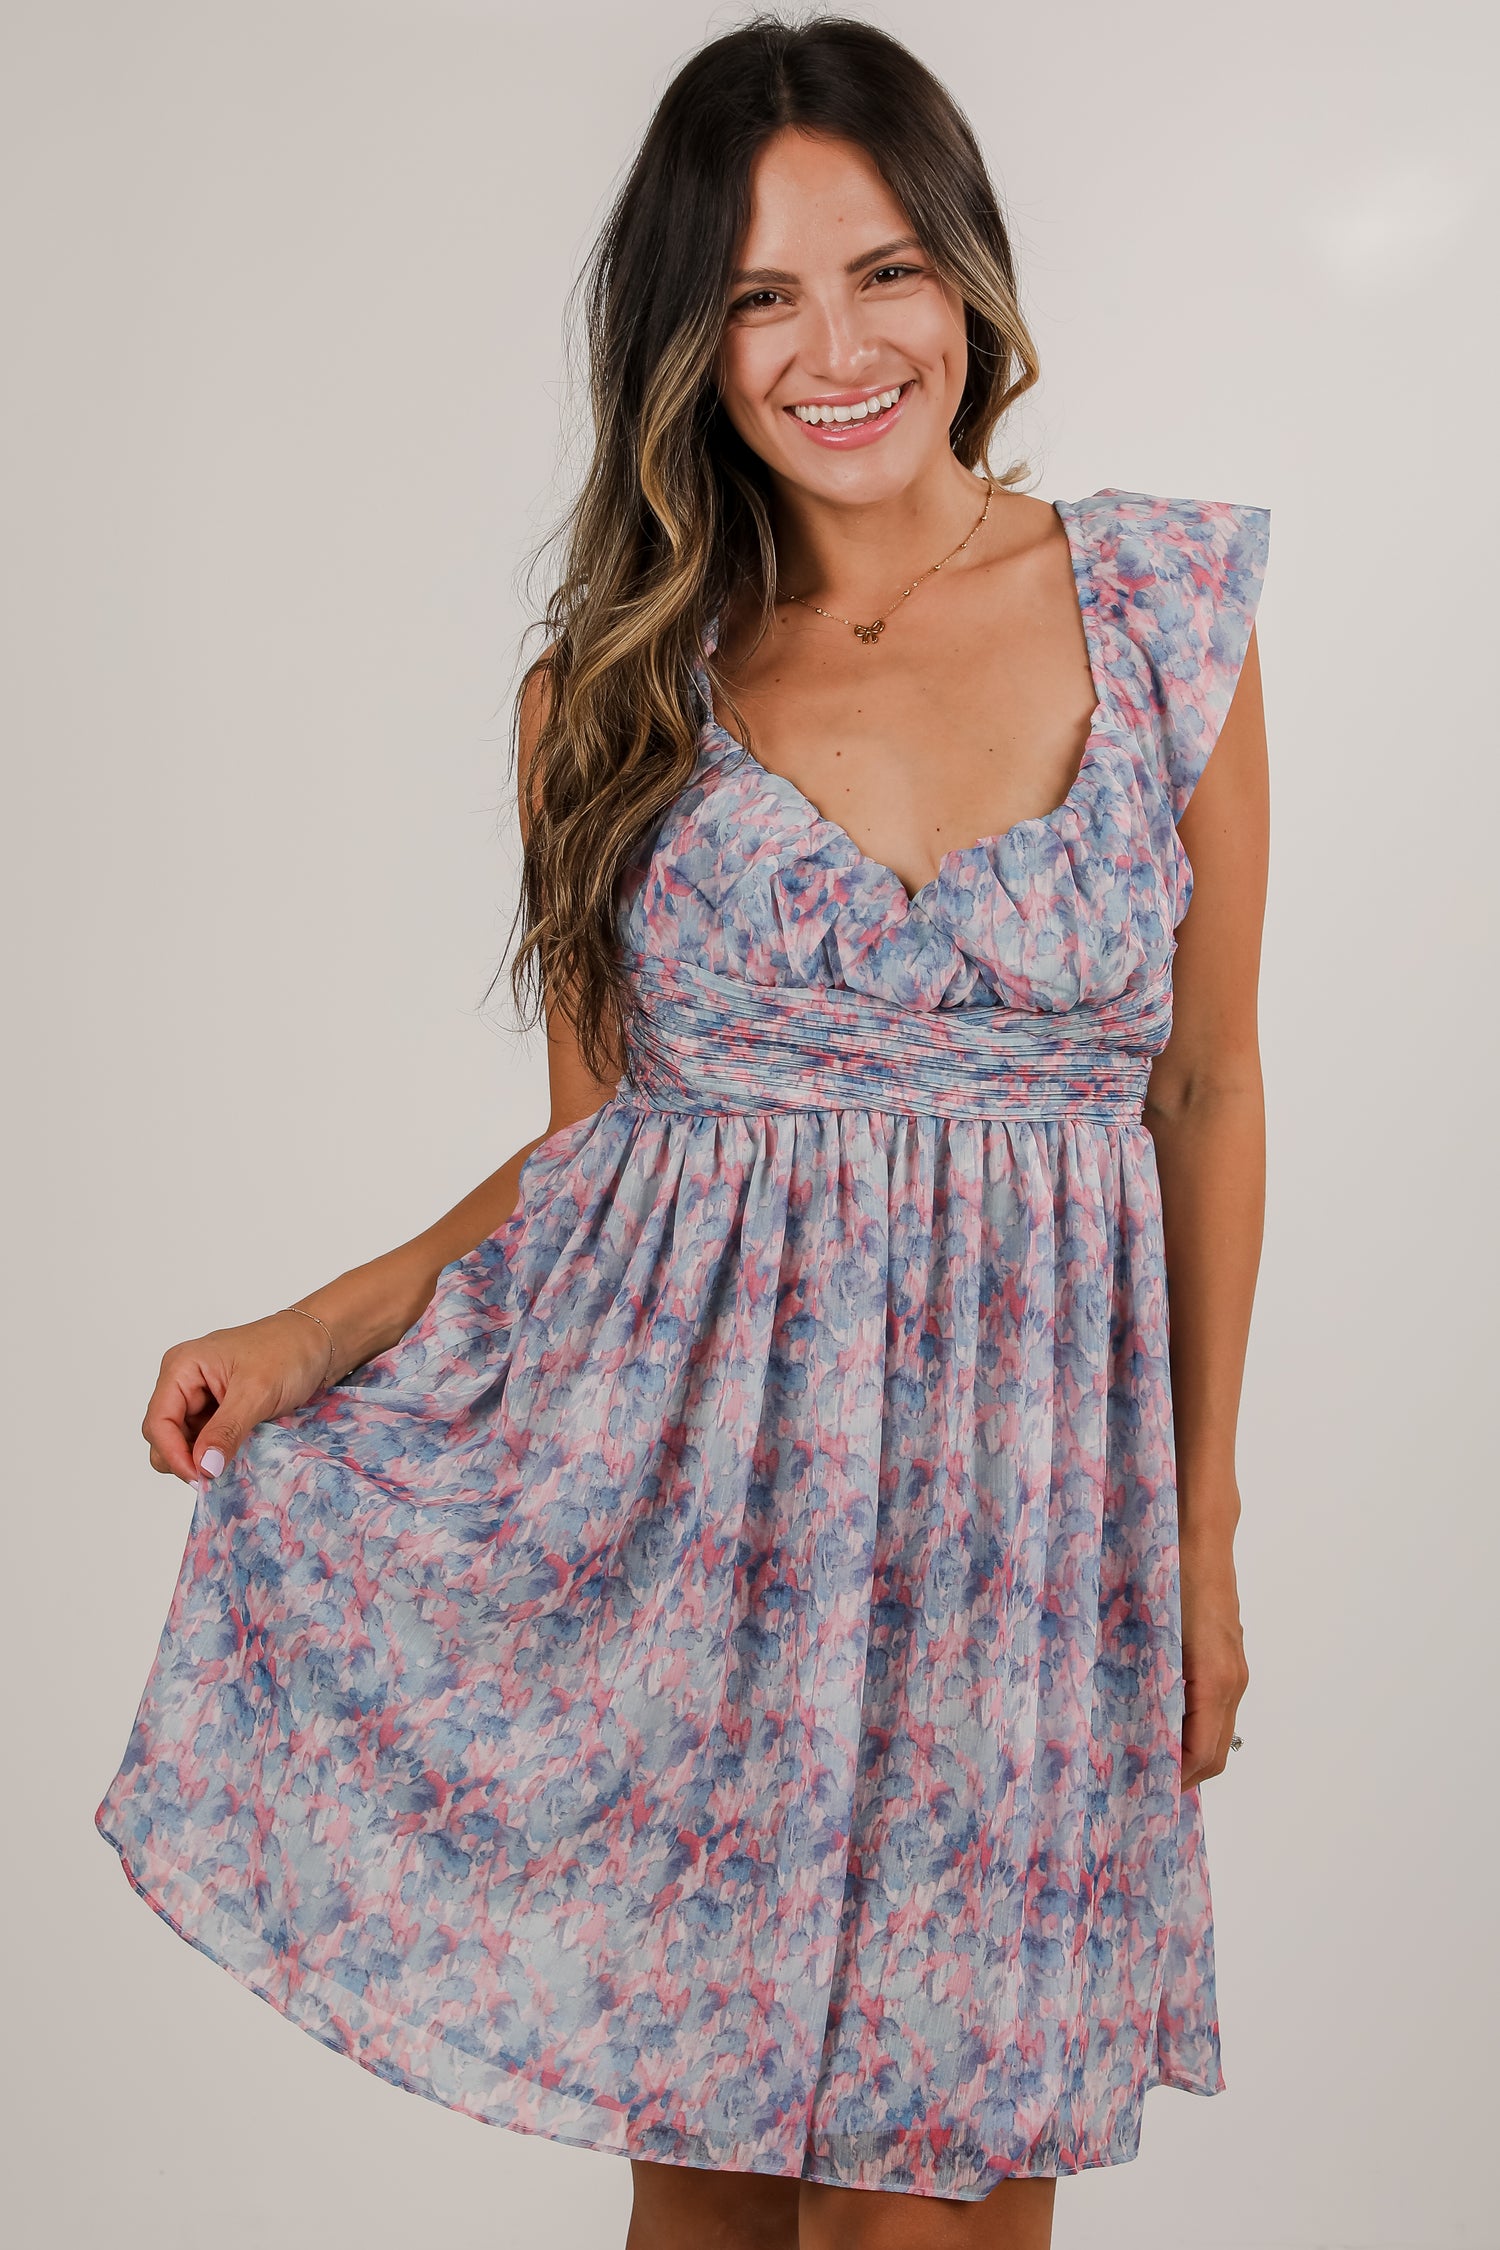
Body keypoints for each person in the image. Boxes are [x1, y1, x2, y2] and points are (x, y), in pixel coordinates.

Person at [98, 16, 1268, 2248]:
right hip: (706, 1544)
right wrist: (324, 1329)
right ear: (686, 344)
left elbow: (1204, 1087)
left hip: (1029, 1559)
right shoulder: (615, 698)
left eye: (884, 270)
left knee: (932, 2216)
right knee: (713, 2220)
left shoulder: (1160, 615)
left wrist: (1199, 1538)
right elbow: (611, 1160)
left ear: (968, 278)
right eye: (758, 297)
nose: (839, 348)